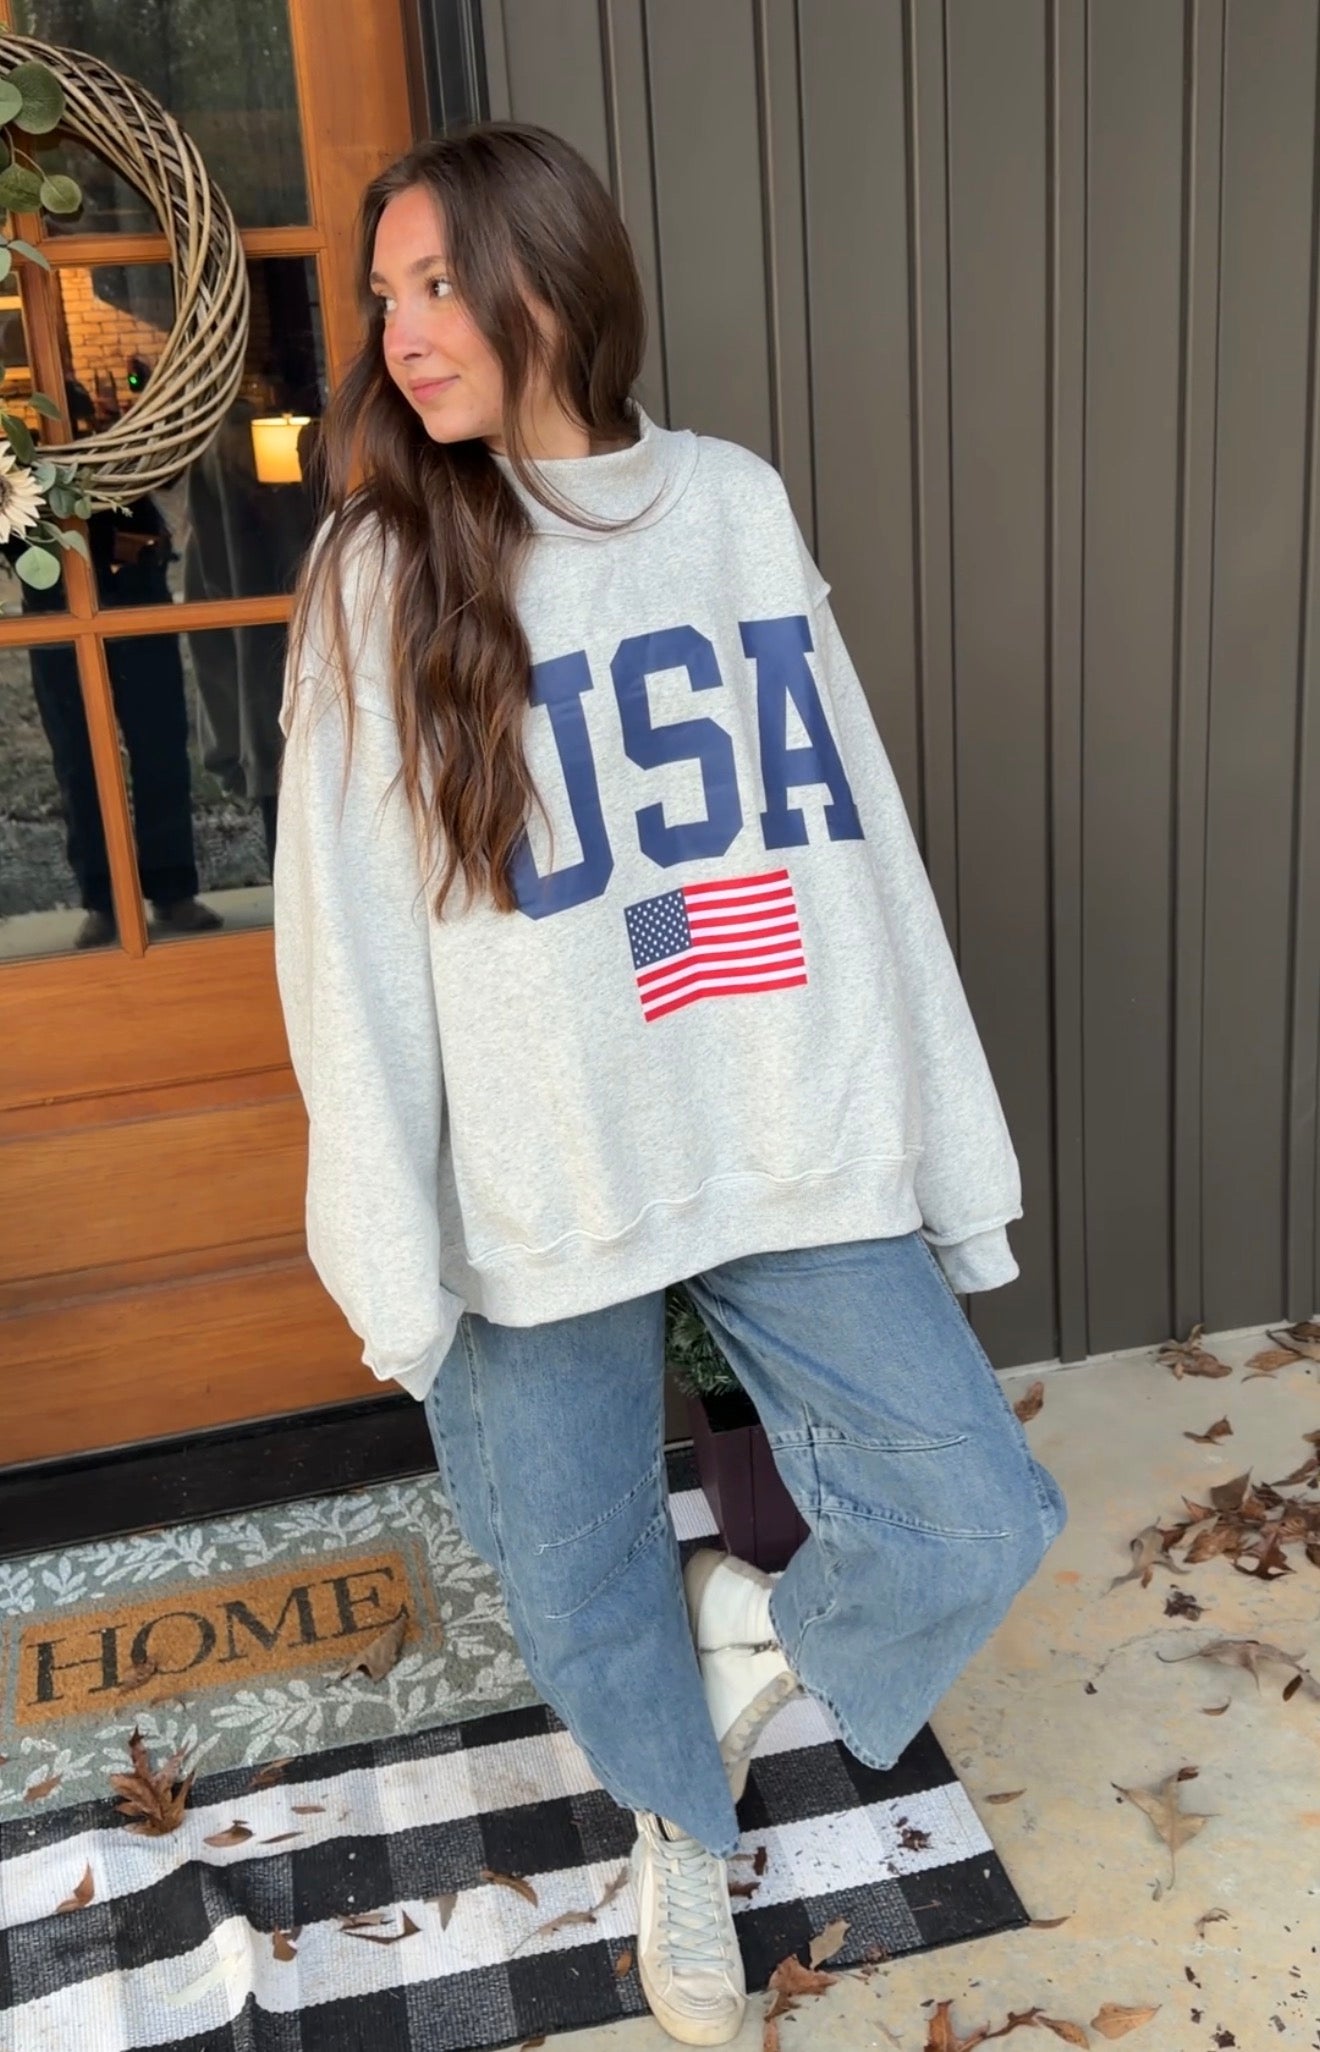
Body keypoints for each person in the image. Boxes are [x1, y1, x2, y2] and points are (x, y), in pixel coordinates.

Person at [273, 123, 1066, 2048]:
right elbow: (344, 943)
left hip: (773, 1129)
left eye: (439, 281)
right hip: (534, 1185)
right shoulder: (379, 567)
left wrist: (934, 1138)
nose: (403, 332)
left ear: (557, 277)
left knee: (975, 1512)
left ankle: (754, 1648)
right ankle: (681, 1834)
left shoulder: (724, 505)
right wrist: (394, 1243)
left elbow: (842, 828)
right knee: (576, 1577)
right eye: (386, 296)